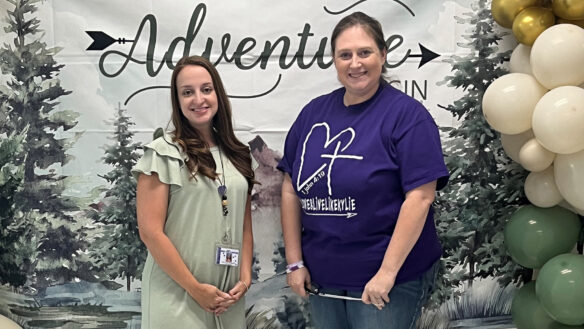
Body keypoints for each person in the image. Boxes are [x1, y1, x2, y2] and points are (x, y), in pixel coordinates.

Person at [277, 12, 449, 329]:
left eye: (364, 52)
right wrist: (294, 262)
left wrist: (386, 273)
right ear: (334, 60)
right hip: (322, 279)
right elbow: (290, 187)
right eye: (345, 55)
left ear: (382, 55)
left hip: (385, 282)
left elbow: (421, 198)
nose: (355, 63)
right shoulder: (313, 114)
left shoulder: (407, 116)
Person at [132, 55, 257, 329]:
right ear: (177, 101)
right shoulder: (163, 153)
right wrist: (195, 288)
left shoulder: (239, 155)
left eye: (206, 89)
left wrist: (245, 278)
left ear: (218, 95)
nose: (198, 99)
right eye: (187, 92)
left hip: (227, 298)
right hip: (177, 295)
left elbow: (244, 225)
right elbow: (150, 233)